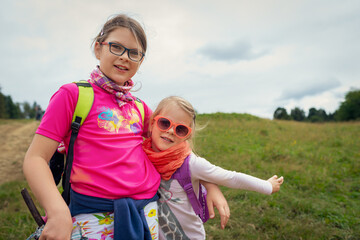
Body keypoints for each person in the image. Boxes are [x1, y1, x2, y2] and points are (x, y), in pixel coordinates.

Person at [23, 14, 229, 240]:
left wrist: (210, 184)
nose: (124, 57)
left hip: (148, 213)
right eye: (116, 47)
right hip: (93, 215)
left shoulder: (140, 108)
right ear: (98, 48)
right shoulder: (73, 95)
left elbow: (178, 148)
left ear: (140, 61)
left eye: (134, 53)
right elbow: (35, 159)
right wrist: (57, 212)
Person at [142, 96, 284, 240]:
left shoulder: (191, 163)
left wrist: (267, 186)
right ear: (153, 123)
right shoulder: (142, 154)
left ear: (187, 136)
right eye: (164, 123)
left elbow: (231, 177)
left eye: (181, 129)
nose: (171, 131)